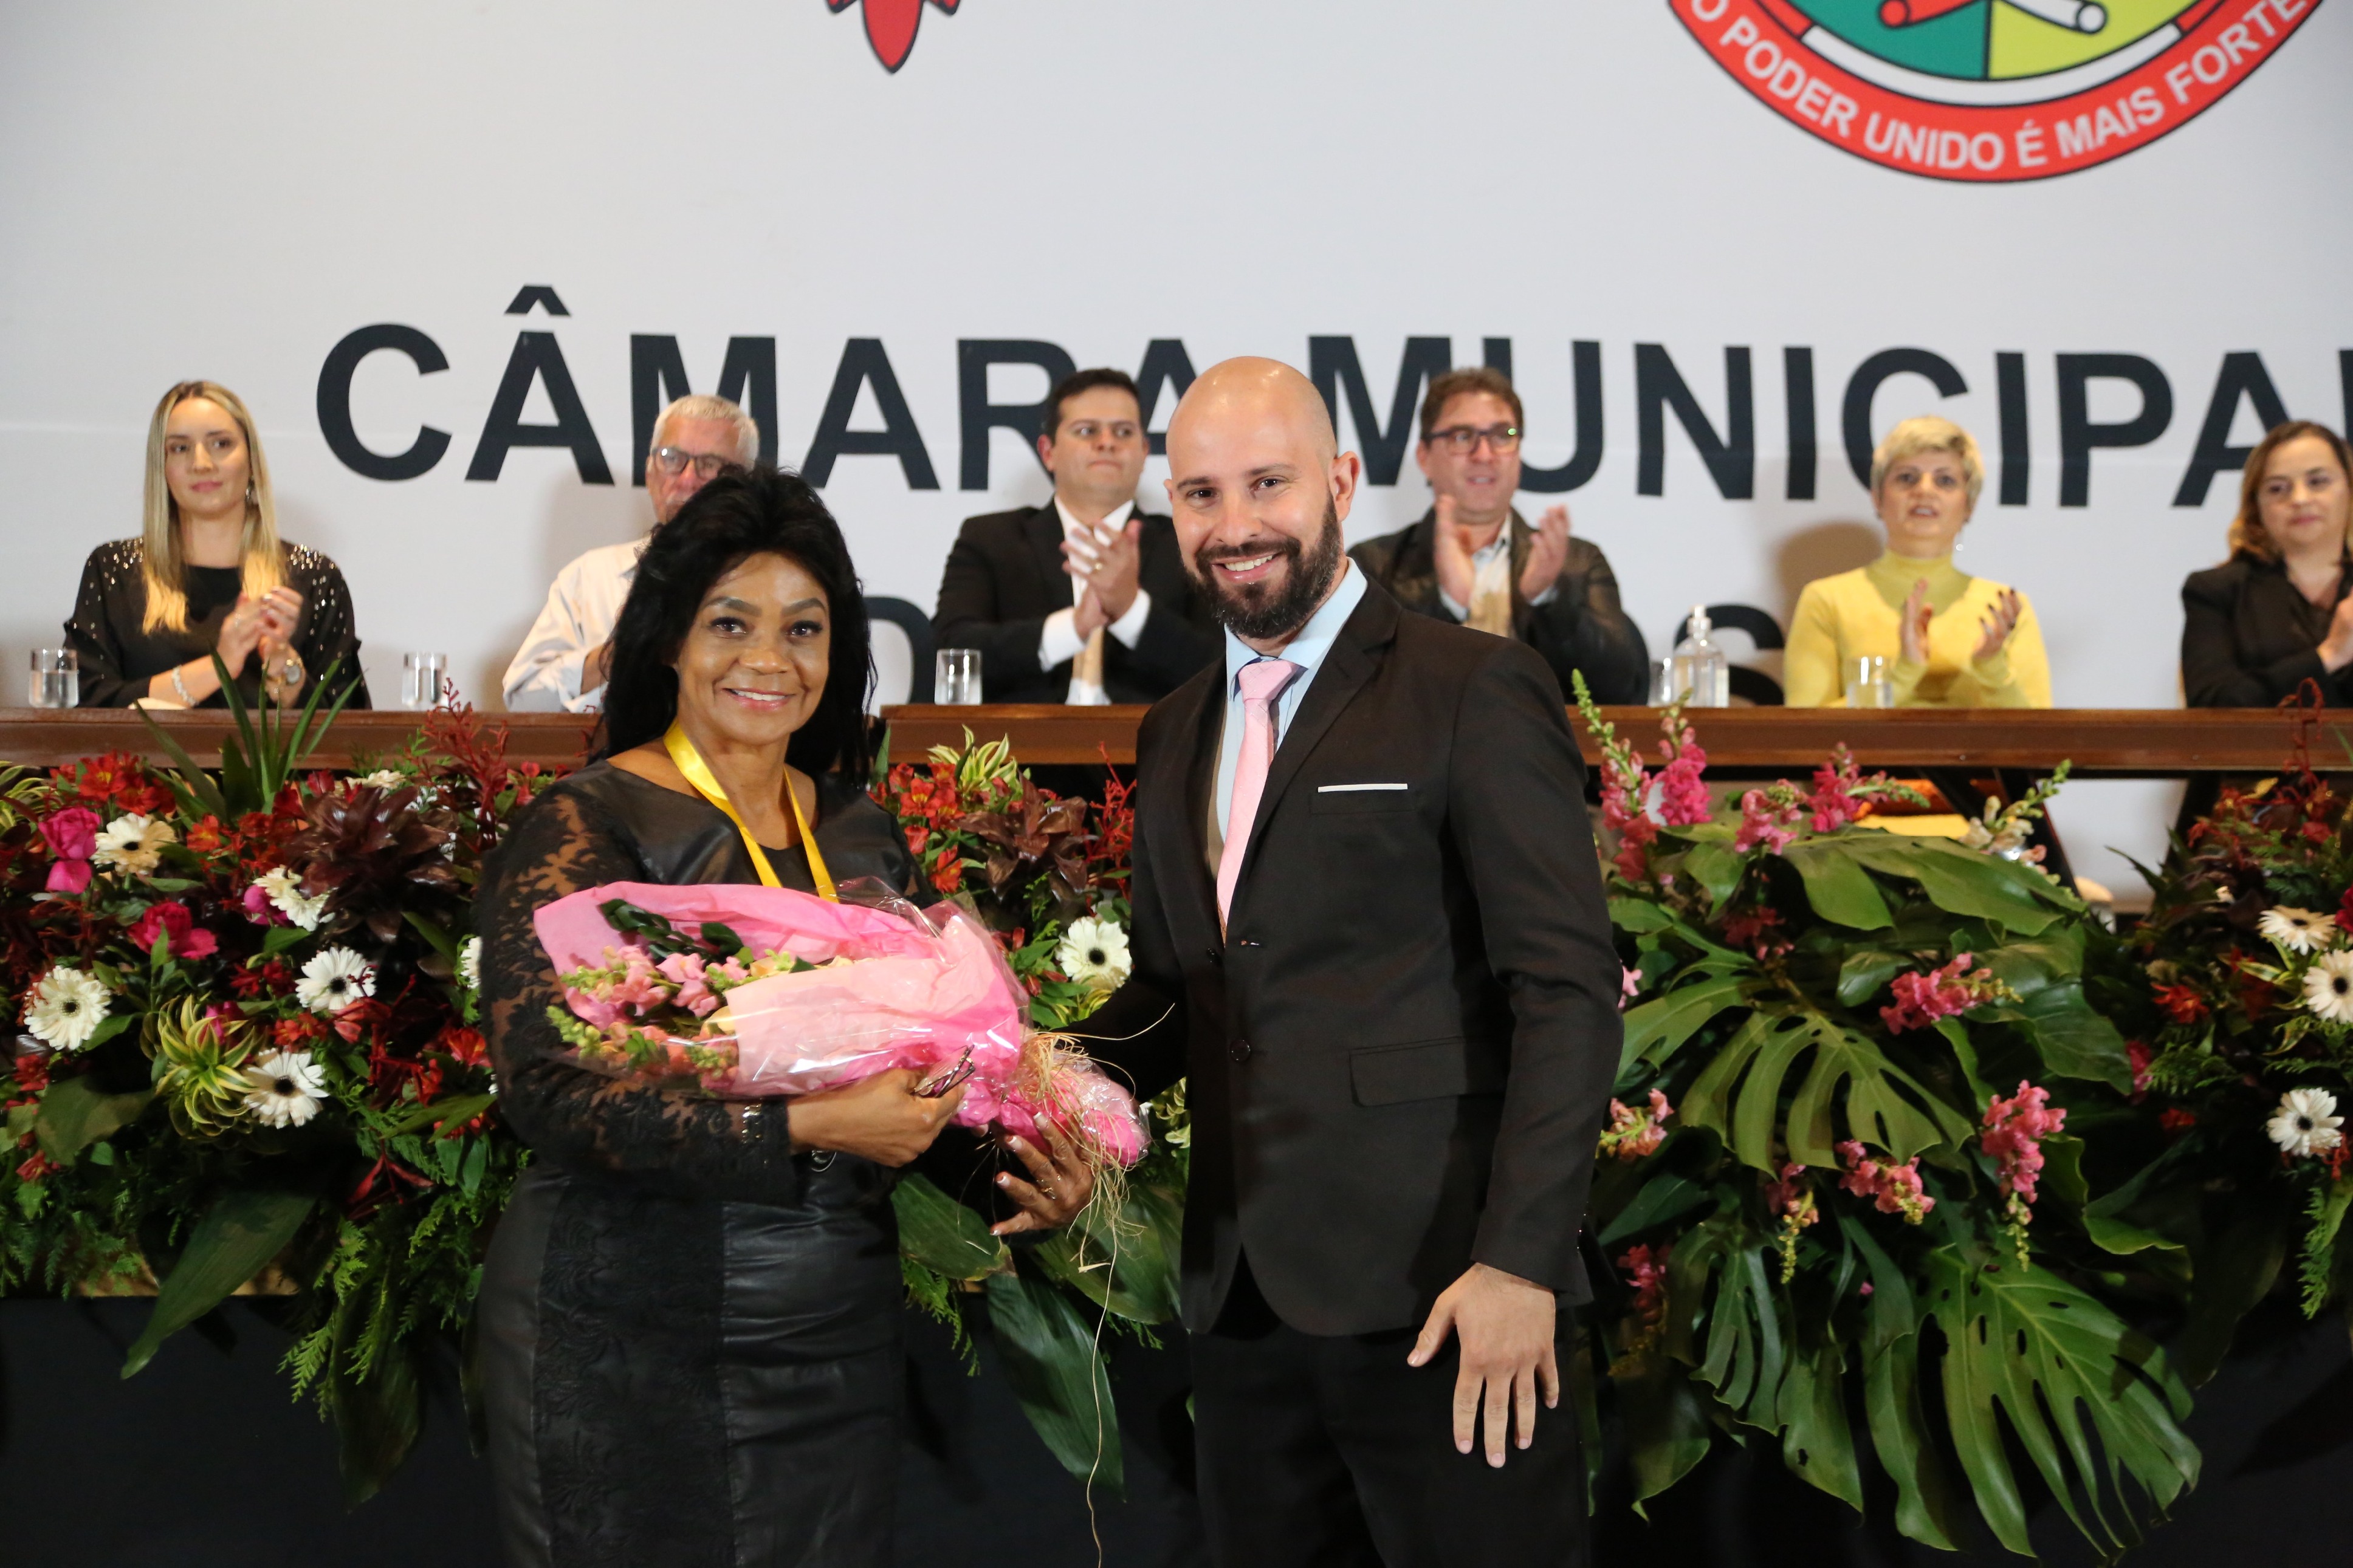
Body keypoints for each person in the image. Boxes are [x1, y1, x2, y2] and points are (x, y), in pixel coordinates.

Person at [473, 467, 1093, 1567]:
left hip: (828, 1343)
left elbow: (918, 1087)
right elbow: (551, 1095)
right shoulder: (585, 827)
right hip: (625, 1329)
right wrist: (806, 1128)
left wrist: (1019, 1168)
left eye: (804, 628)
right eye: (731, 623)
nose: (769, 658)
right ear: (669, 637)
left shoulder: (860, 836)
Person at [1080, 358, 1621, 1567]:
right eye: (1203, 494)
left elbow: (1567, 993)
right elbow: (1178, 995)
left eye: (1267, 483)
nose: (1234, 528)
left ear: (1337, 481)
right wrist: (1031, 1077)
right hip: (1243, 1315)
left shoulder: (1471, 687)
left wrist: (1517, 1263)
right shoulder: (1170, 730)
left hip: (1449, 1303)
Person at [1348, 366, 1647, 704]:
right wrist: (1448, 606)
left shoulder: (1578, 563)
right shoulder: (1372, 565)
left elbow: (1620, 690)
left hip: (1535, 753)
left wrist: (1547, 600)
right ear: (1424, 457)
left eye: (1502, 436)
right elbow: (1359, 691)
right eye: (1462, 436)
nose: (1484, 455)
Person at [66, 381, 368, 709]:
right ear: (162, 468)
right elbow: (84, 707)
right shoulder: (113, 570)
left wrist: (284, 666)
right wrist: (219, 665)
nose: (201, 463)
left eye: (221, 444)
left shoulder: (314, 578)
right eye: (180, 448)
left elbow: (351, 734)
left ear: (251, 462)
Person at [933, 368, 1219, 703]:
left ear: (1144, 452)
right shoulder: (991, 539)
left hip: (1155, 750)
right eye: (1087, 431)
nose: (1107, 442)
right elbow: (952, 652)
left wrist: (1130, 611)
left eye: (1124, 432)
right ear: (1048, 452)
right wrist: (1073, 628)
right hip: (1021, 749)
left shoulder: (1188, 542)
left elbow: (1224, 668)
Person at [501, 394, 758, 711]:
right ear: (650, 473)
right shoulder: (591, 577)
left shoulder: (772, 581)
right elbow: (524, 701)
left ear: (745, 483)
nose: (687, 480)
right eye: (672, 458)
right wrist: (618, 654)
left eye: (710, 465)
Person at [1784, 415, 2051, 707]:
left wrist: (1992, 668)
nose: (1924, 490)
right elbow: (1806, 733)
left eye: (1945, 480)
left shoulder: (2002, 610)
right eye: (1907, 478)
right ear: (1878, 498)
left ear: (1969, 505)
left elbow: (2039, 739)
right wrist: (1904, 673)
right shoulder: (1828, 600)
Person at [2180, 420, 2353, 707]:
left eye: (2318, 482)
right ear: (2256, 505)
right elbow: (2210, 708)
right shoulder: (2216, 592)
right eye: (2278, 489)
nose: (2299, 499)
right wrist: (2330, 655)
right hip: (2261, 753)